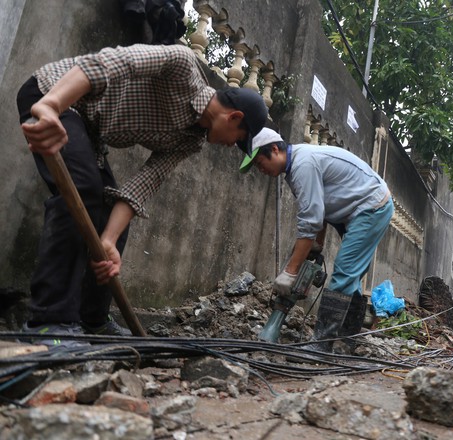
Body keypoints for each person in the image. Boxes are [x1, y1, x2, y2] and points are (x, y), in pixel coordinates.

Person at [16, 44, 268, 347]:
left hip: (88, 128)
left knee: (111, 212)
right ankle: (48, 322)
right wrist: (50, 105)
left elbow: (141, 185)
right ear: (234, 117)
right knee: (82, 190)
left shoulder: (191, 141)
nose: (231, 147)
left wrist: (107, 241)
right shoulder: (181, 65)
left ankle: (92, 320)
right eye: (239, 140)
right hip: (54, 94)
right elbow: (107, 63)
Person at [240, 127, 393, 353]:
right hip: (357, 209)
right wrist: (316, 245)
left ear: (275, 149)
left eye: (260, 162)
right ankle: (347, 340)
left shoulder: (303, 165)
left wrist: (290, 272)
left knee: (344, 272)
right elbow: (319, 210)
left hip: (371, 206)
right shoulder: (296, 167)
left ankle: (321, 346)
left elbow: (310, 222)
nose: (260, 169)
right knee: (351, 276)